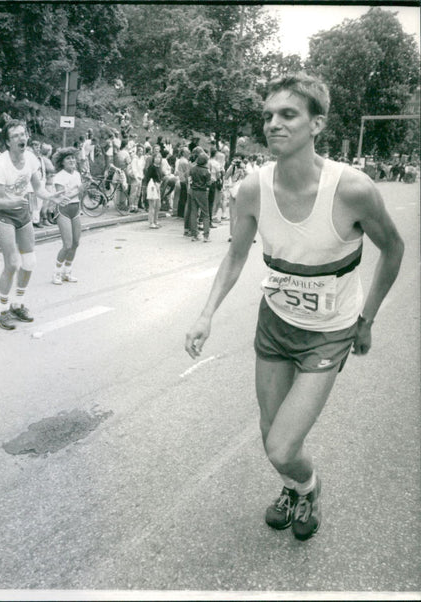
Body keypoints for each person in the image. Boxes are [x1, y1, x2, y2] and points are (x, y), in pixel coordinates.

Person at [185, 73, 404, 541]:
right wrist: (206, 314)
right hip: (276, 324)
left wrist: (367, 318)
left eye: (288, 115)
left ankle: (309, 487)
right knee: (270, 437)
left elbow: (394, 249)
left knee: (283, 446)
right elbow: (235, 254)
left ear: (316, 123)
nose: (273, 124)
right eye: (267, 116)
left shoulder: (353, 189)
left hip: (329, 331)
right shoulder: (252, 189)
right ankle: (293, 489)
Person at [0, 119, 64, 330]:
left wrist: (51, 197)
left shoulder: (31, 158)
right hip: (5, 214)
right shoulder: (0, 164)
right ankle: (2, 309)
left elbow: (38, 188)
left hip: (22, 212)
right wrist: (16, 200)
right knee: (12, 263)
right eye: (16, 135)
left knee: (30, 262)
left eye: (23, 134)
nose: (22, 138)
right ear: (7, 141)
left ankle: (17, 304)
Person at [49, 147, 84, 285]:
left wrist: (80, 190)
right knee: (67, 244)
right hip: (63, 210)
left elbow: (80, 193)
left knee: (76, 243)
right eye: (68, 158)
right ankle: (56, 273)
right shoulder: (59, 176)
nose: (72, 160)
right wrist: (77, 190)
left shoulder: (77, 174)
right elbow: (61, 197)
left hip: (75, 208)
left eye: (73, 158)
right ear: (62, 162)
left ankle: (67, 272)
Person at [187, 152, 212, 242]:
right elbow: (209, 184)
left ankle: (194, 235)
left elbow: (190, 180)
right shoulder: (207, 171)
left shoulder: (192, 169)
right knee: (205, 214)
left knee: (193, 213)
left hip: (193, 191)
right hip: (202, 192)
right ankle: (206, 235)